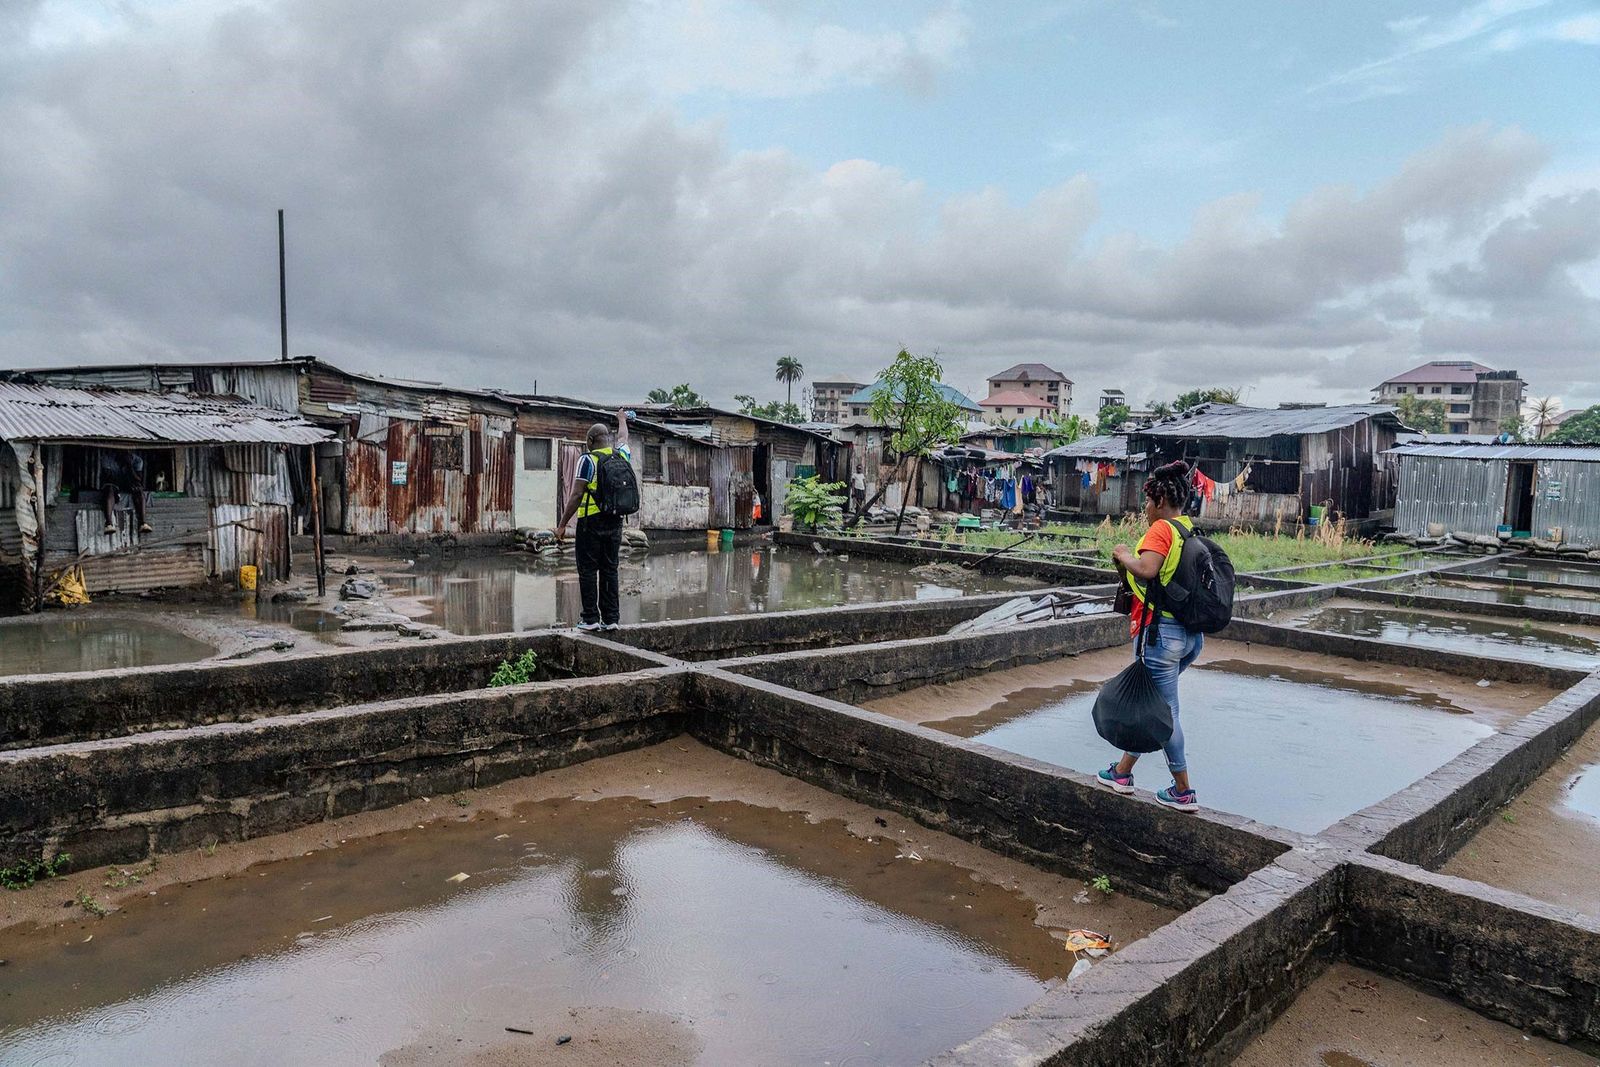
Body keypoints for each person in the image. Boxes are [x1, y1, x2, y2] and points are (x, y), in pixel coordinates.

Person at [1097, 460, 1202, 812]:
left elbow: (1147, 570)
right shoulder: (1188, 529)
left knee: (1166, 712)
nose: (1144, 509)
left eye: (1147, 502)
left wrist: (1124, 554)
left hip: (1161, 637)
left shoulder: (1161, 529)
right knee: (1151, 704)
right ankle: (1122, 772)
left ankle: (1183, 791)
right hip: (1189, 637)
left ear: (1158, 500)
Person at [556, 410, 631, 631]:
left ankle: (590, 619)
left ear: (590, 441)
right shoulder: (621, 455)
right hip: (615, 522)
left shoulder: (587, 460)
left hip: (591, 522)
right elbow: (624, 438)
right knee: (610, 569)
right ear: (607, 439)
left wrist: (562, 525)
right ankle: (611, 619)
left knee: (588, 569)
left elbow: (577, 495)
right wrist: (622, 420)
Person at [100, 450, 152, 535]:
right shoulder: (107, 458)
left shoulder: (137, 460)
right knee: (109, 489)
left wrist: (129, 466)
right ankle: (108, 523)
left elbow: (138, 479)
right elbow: (108, 477)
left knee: (139, 491)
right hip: (114, 483)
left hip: (129, 482)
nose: (126, 453)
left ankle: (143, 523)